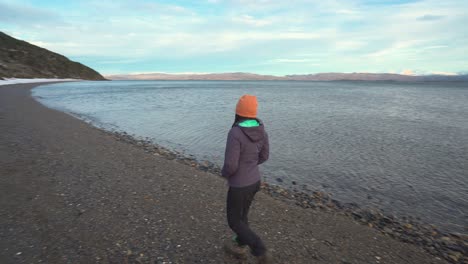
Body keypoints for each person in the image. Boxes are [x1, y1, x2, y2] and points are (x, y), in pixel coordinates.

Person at [221, 94, 271, 263]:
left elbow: (230, 165)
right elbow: (265, 155)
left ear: (238, 112)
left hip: (239, 185)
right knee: (242, 216)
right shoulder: (261, 129)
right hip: (254, 181)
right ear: (253, 112)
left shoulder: (235, 132)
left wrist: (225, 174)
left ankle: (259, 248)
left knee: (234, 221)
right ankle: (240, 245)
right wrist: (250, 165)